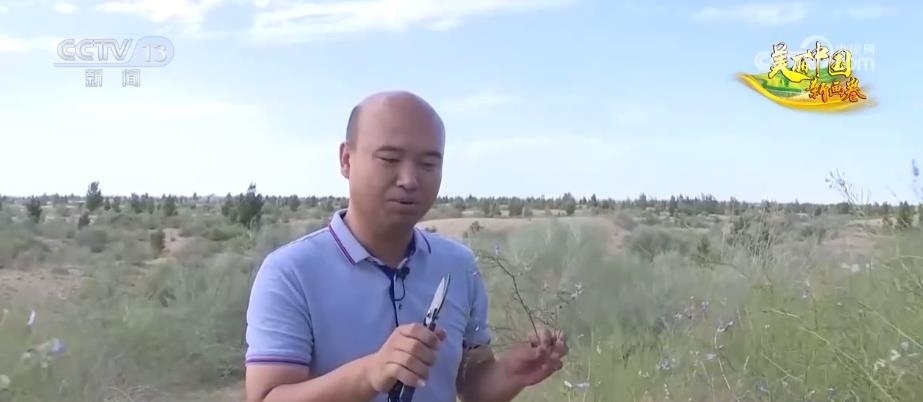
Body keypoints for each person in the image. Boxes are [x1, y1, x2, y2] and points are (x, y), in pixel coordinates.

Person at [244, 90, 568, 402]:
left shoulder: (458, 265)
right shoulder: (290, 273)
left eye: (428, 164)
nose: (410, 180)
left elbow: (472, 386)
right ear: (346, 160)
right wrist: (370, 374)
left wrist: (511, 373)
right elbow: (267, 396)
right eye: (389, 159)